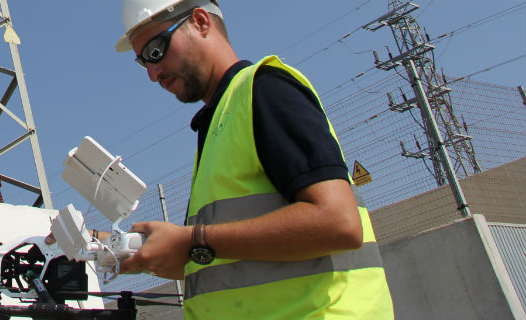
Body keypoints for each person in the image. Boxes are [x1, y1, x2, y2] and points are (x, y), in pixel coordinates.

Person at [112, 0, 395, 318]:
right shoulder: (219, 122)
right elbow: (236, 255)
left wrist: (194, 241)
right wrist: (131, 247)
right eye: (142, 62)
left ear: (202, 22)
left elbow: (338, 222)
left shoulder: (264, 90)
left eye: (155, 50)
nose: (152, 73)